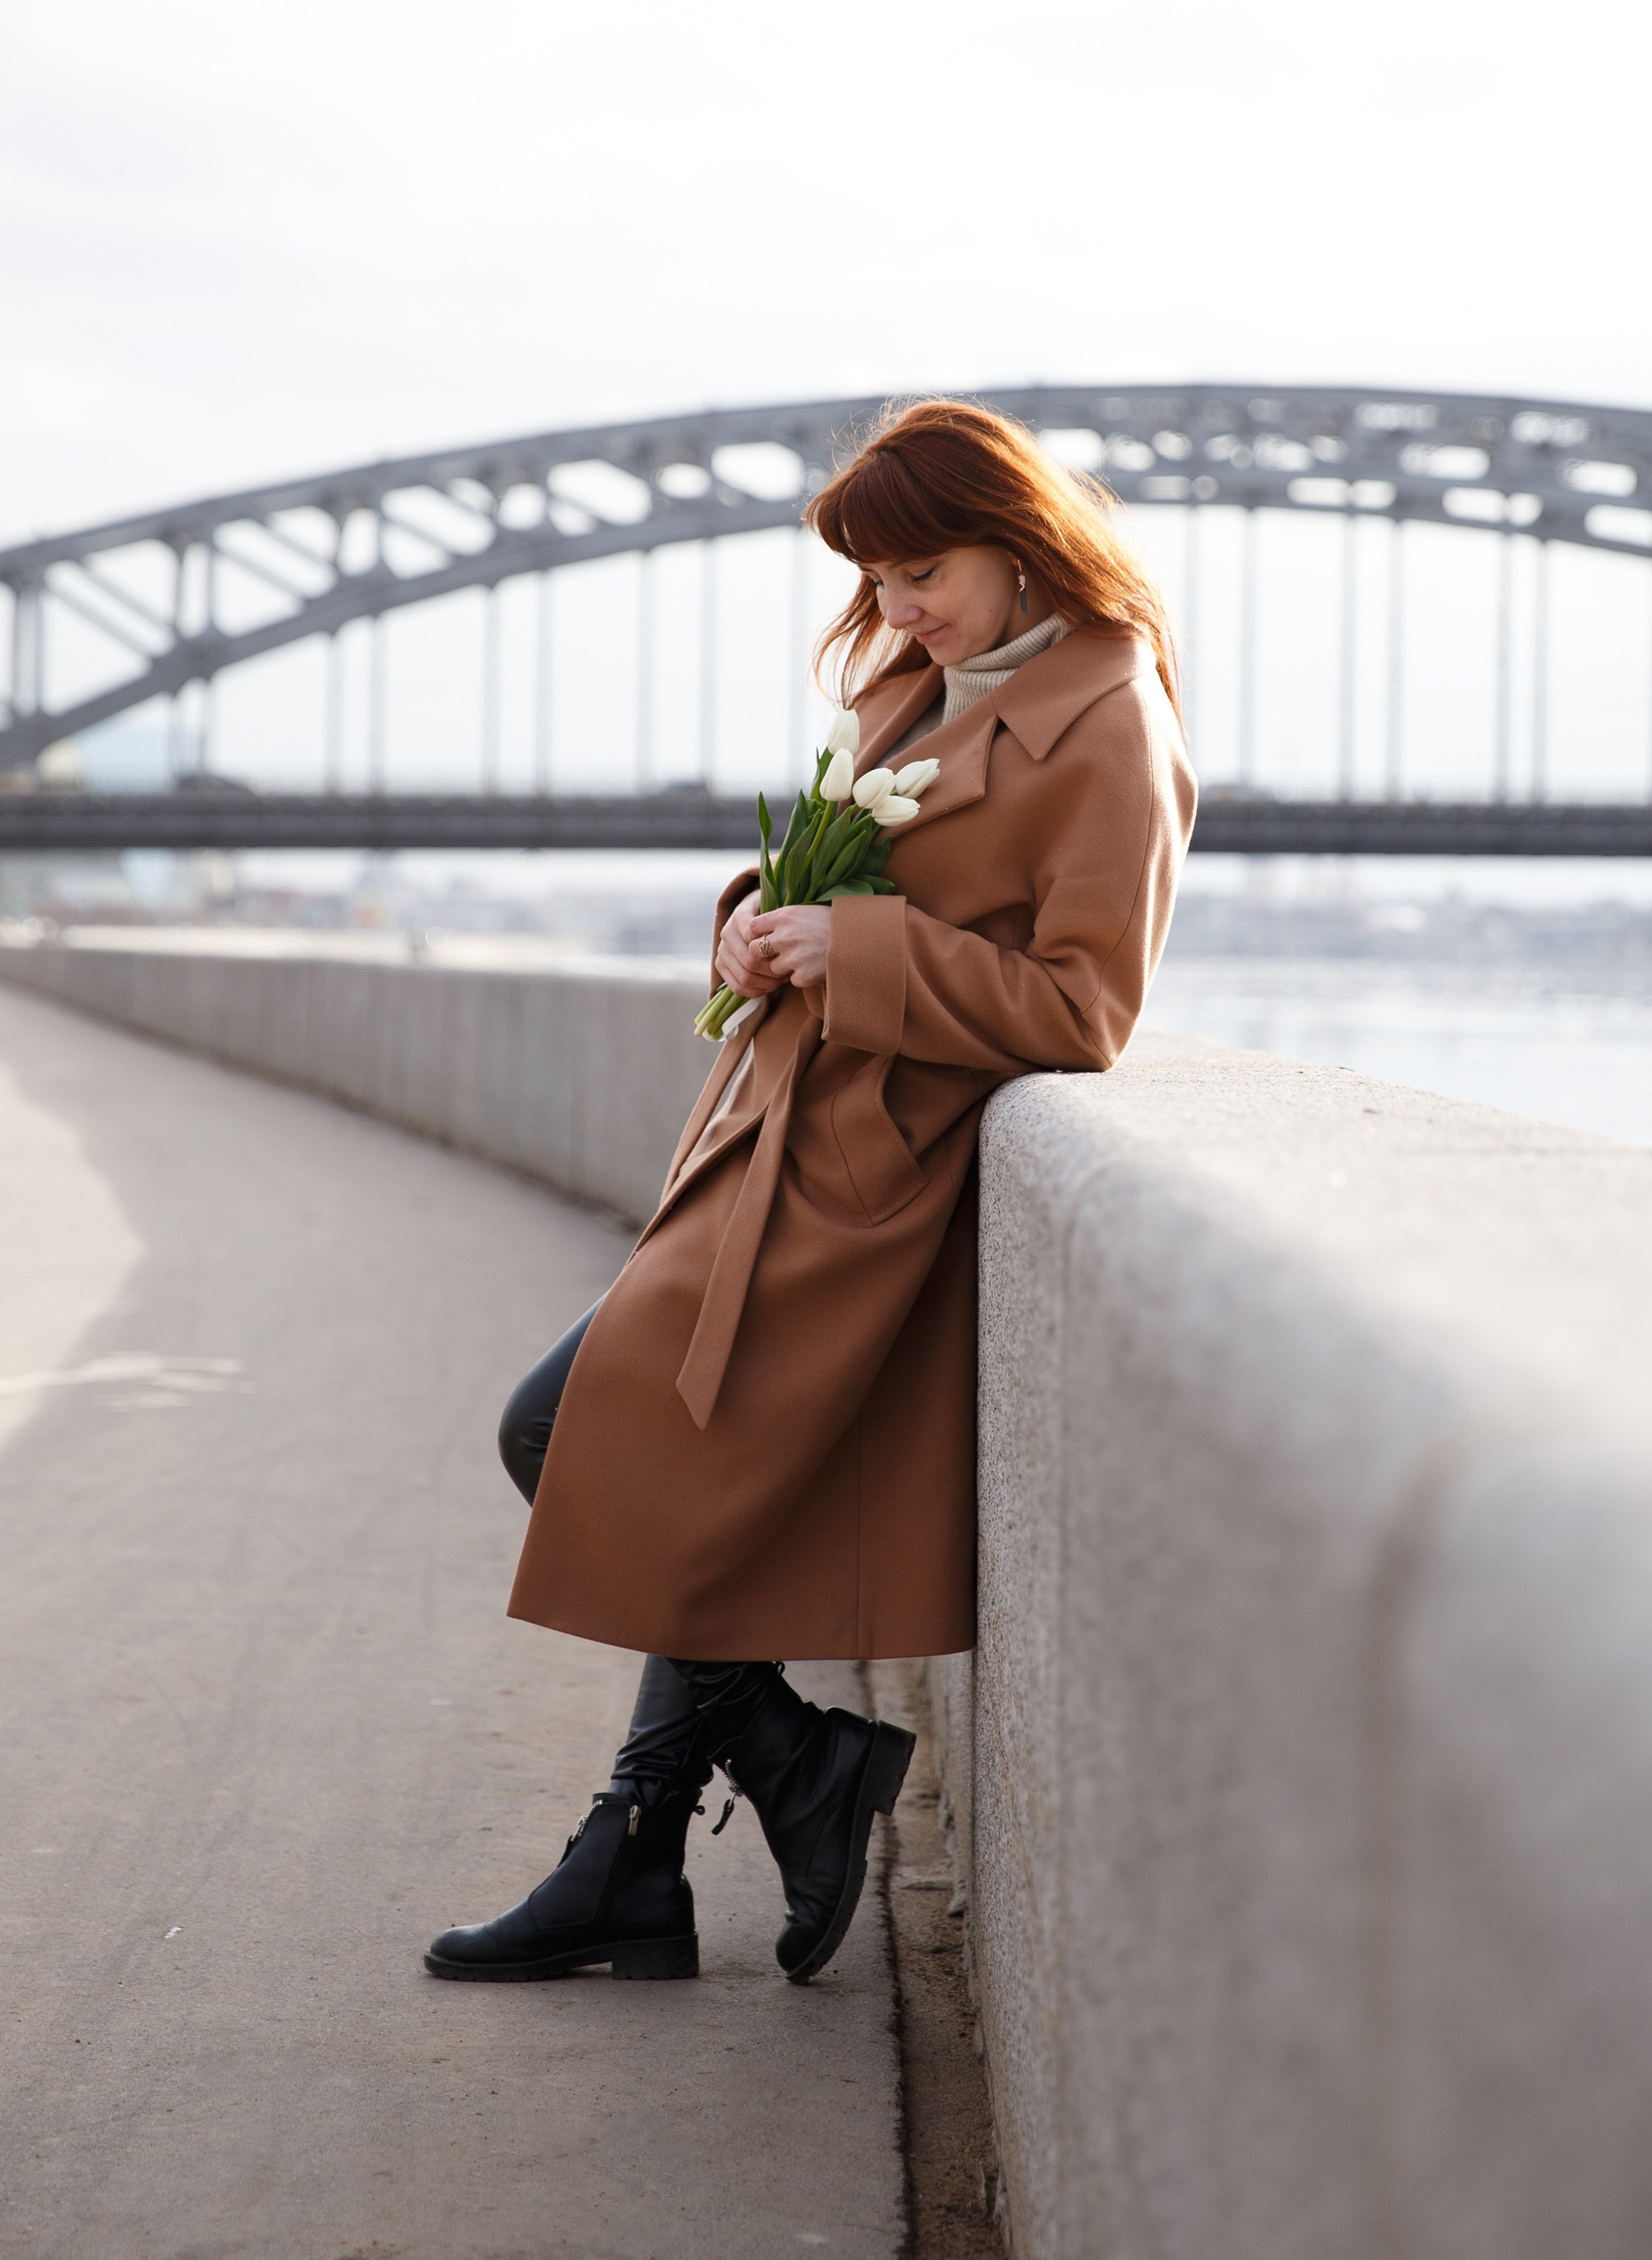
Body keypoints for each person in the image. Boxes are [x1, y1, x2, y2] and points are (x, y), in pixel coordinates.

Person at [425, 398, 1197, 1987]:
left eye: (920, 571)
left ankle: (737, 1789)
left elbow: (1084, 1009)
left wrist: (853, 957)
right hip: (768, 1137)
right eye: (880, 577)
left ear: (1018, 540)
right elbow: (846, 880)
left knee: (558, 1427)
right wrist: (752, 919)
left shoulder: (1113, 727)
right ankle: (660, 1842)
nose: (894, 605)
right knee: (659, 1473)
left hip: (863, 1186)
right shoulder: (913, 677)